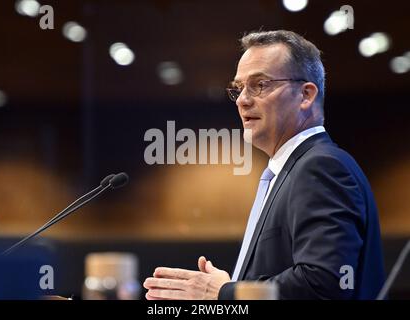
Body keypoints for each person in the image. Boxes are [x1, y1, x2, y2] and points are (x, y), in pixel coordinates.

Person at [143, 30, 385, 300]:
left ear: (306, 95)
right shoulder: (292, 170)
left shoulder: (321, 167)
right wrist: (235, 285)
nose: (243, 100)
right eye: (238, 88)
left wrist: (225, 292)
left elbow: (326, 283)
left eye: (260, 85)